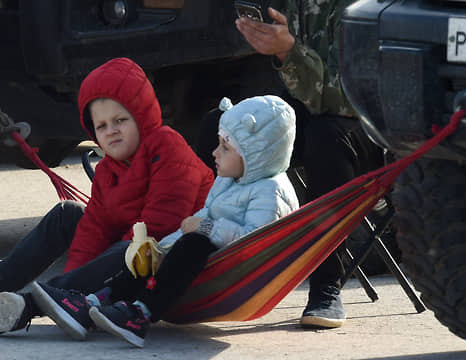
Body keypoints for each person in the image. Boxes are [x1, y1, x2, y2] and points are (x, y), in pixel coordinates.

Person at [104, 0, 387, 329]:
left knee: (326, 140)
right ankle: (175, 251)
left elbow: (342, 96)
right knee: (218, 124)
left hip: (359, 128)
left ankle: (325, 289)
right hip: (298, 111)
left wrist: (287, 52)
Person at [0, 57, 215, 335]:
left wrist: (86, 286)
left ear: (142, 116)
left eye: (121, 120)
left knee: (132, 246)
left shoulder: (167, 146)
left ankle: (36, 302)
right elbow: (93, 231)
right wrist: (77, 284)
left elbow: (162, 224)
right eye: (102, 126)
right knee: (69, 214)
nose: (112, 131)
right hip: (130, 259)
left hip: (170, 262)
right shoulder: (109, 168)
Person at [31, 95, 299, 346]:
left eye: (225, 147)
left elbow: (258, 244)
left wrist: (204, 228)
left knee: (192, 244)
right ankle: (95, 302)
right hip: (201, 258)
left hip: (228, 269)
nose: (215, 153)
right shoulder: (230, 180)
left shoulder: (270, 192)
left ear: (256, 156)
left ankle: (140, 315)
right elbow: (208, 213)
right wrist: (164, 245)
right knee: (149, 257)